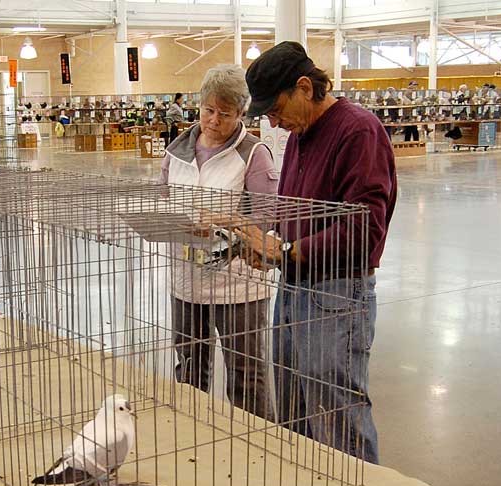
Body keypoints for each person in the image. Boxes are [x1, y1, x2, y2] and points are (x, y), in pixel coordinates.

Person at [232, 41, 397, 463]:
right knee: (294, 408)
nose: (274, 121)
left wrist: (287, 249)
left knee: (336, 412)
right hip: (294, 288)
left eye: (276, 109)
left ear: (305, 87)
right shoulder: (299, 135)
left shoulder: (358, 130)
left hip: (335, 294)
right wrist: (267, 245)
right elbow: (294, 210)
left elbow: (364, 227)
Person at [160, 64, 279, 419]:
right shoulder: (176, 150)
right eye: (208, 110)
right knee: (190, 365)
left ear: (241, 113)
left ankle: (256, 438)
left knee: (245, 373)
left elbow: (269, 216)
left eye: (224, 114)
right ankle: (192, 430)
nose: (213, 120)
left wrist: (226, 226)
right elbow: (161, 200)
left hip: (238, 285)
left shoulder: (254, 153)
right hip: (186, 279)